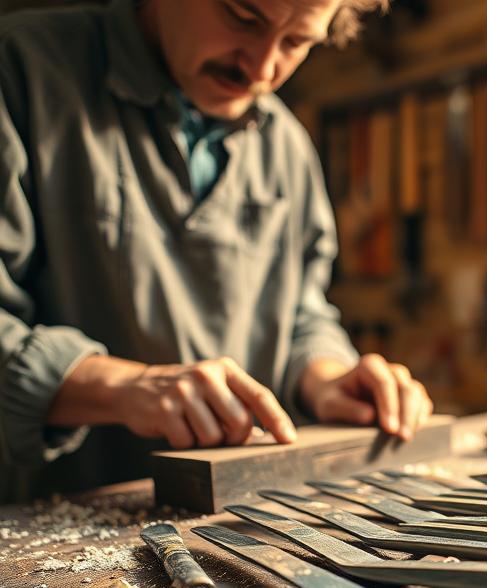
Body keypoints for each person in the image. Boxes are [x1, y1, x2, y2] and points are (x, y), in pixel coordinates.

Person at [0, 0, 433, 500]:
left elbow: (300, 313)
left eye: (296, 42)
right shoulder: (20, 70)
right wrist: (123, 389)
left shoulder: (286, 146)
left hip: (243, 516)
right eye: (243, 18)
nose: (263, 68)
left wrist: (327, 377)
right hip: (50, 529)